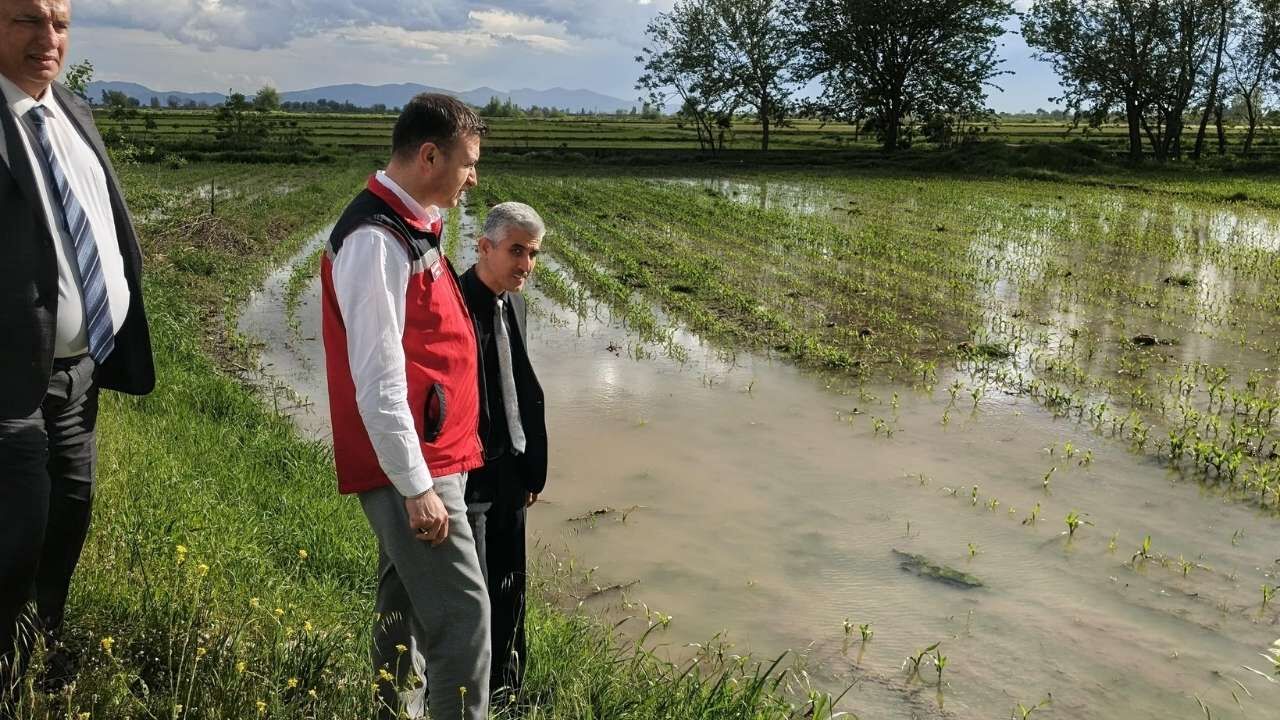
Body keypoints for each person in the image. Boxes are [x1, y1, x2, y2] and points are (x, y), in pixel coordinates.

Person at [0, 0, 155, 698]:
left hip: (77, 379)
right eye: (25, 20)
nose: (48, 39)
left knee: (68, 520)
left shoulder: (69, 110)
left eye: (59, 21)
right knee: (17, 540)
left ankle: (37, 660)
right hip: (9, 384)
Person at [320, 93, 490, 720]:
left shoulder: (408, 223)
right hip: (413, 463)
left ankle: (393, 710)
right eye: (468, 163)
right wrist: (417, 485)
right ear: (428, 155)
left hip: (427, 453)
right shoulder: (375, 239)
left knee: (404, 600)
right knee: (464, 618)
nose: (473, 178)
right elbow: (379, 378)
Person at [459, 202, 548, 698]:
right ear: (484, 246)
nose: (526, 265)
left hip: (512, 468)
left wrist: (531, 469)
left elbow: (520, 387)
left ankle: (508, 690)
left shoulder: (515, 303)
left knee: (512, 583)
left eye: (532, 254)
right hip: (469, 471)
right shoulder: (452, 303)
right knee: (473, 590)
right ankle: (465, 690)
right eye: (516, 251)